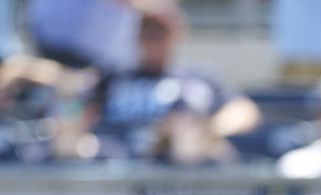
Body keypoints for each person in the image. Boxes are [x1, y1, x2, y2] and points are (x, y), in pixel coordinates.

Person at [82, 2, 261, 162]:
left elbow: (244, 111)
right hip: (118, 160)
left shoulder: (200, 76)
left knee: (192, 144)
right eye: (146, 32)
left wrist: (208, 129)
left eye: (159, 33)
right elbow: (80, 110)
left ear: (178, 33)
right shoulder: (112, 75)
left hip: (180, 163)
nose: (152, 39)